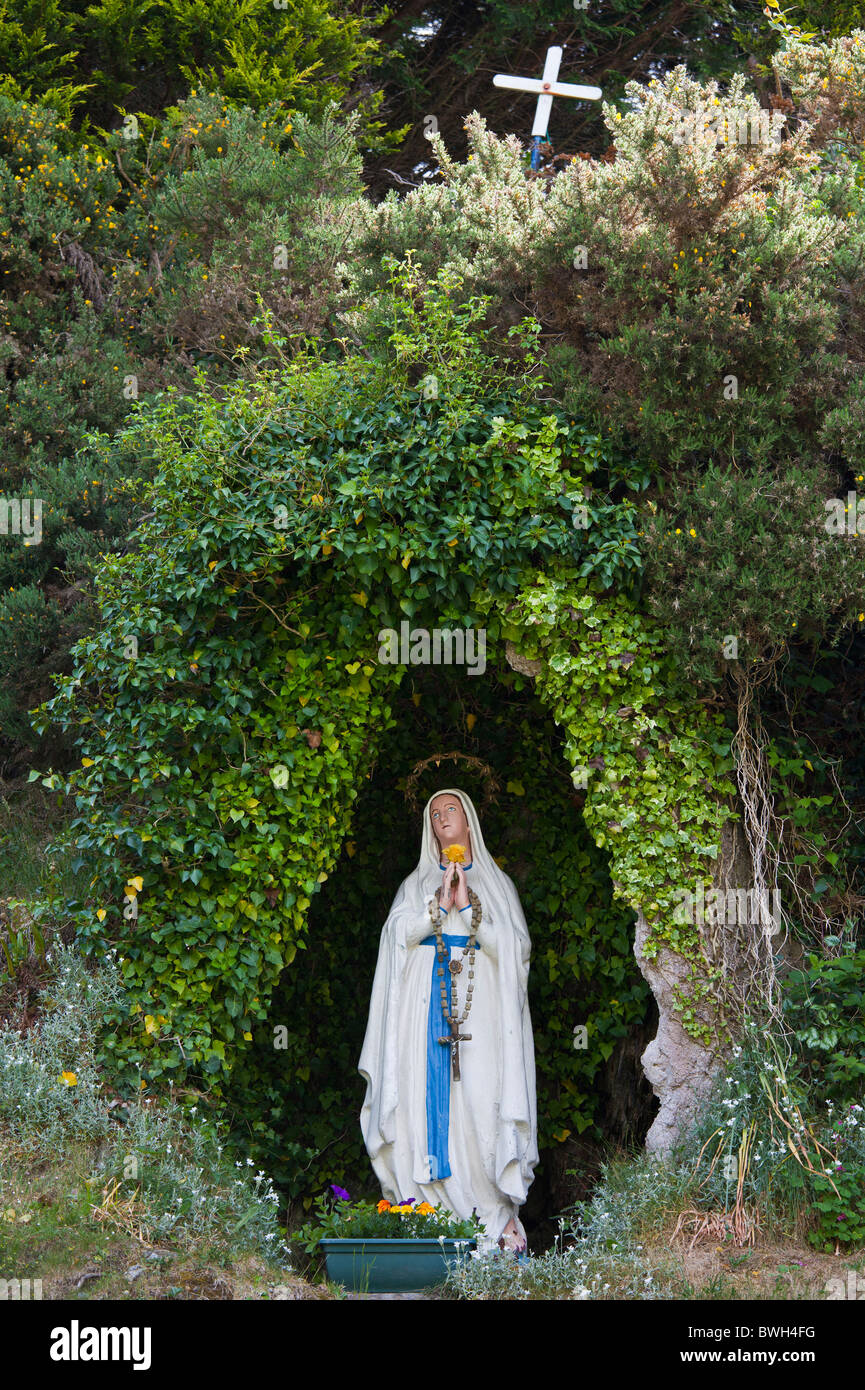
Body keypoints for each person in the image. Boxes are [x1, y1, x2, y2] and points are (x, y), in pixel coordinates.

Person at [359, 788, 538, 1251]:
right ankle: (423, 1214)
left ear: (469, 820)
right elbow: (394, 940)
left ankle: (491, 1217)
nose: (442, 817)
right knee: (420, 1105)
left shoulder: (498, 886)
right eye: (434, 813)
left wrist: (467, 909)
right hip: (421, 1013)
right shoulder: (415, 885)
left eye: (450, 809)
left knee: (481, 1101)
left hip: (483, 1015)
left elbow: (517, 954)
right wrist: (435, 909)